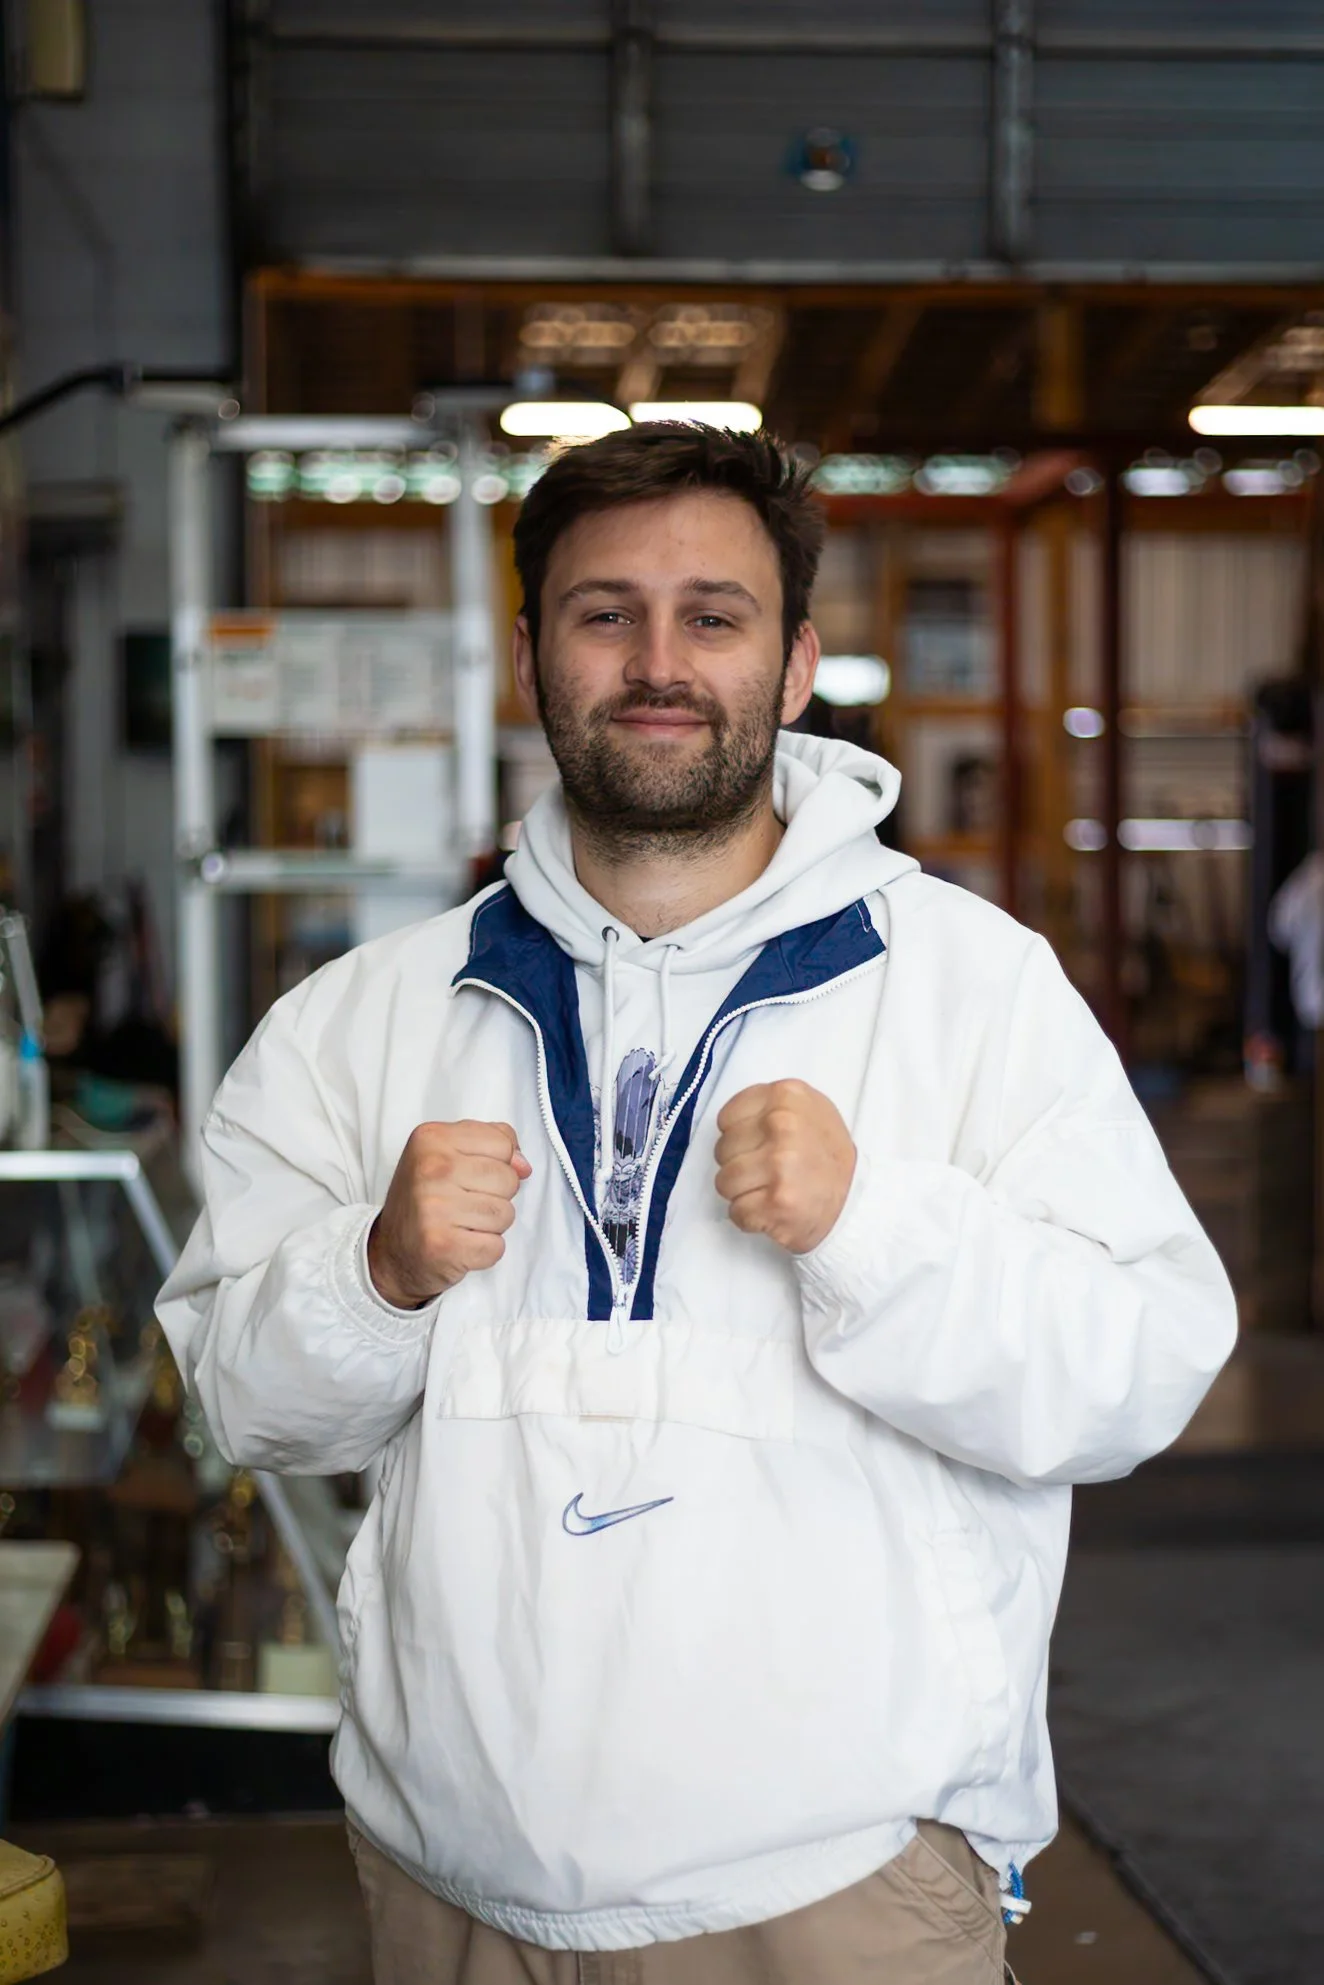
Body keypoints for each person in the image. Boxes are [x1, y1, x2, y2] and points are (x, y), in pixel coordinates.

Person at [157, 424, 1237, 1984]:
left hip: (841, 1886)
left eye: (712, 616)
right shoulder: (365, 1018)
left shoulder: (970, 991)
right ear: (531, 652)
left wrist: (877, 1232)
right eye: (605, 614)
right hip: (452, 1882)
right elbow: (237, 1409)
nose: (659, 662)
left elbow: (1136, 1376)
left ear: (795, 664)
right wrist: (372, 1275)